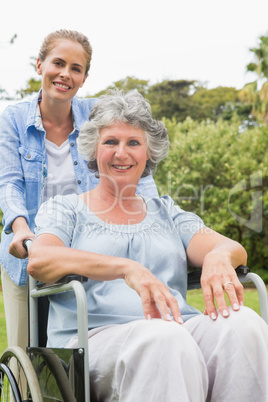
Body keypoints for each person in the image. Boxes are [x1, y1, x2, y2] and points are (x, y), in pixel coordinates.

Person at [28, 89, 268, 402]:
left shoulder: (167, 212)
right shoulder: (66, 208)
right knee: (165, 338)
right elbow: (41, 259)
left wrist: (219, 256)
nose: (121, 153)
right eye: (110, 141)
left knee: (244, 324)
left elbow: (229, 246)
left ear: (148, 153)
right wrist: (126, 268)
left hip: (177, 326)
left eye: (133, 143)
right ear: (93, 150)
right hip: (93, 339)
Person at [0, 30, 158, 353]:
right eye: (58, 63)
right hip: (29, 245)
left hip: (88, 241)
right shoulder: (12, 120)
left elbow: (134, 168)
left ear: (84, 78)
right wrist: (20, 228)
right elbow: (9, 183)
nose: (65, 74)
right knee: (25, 350)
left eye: (76, 68)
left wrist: (154, 216)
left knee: (97, 339)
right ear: (39, 65)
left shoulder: (96, 115)